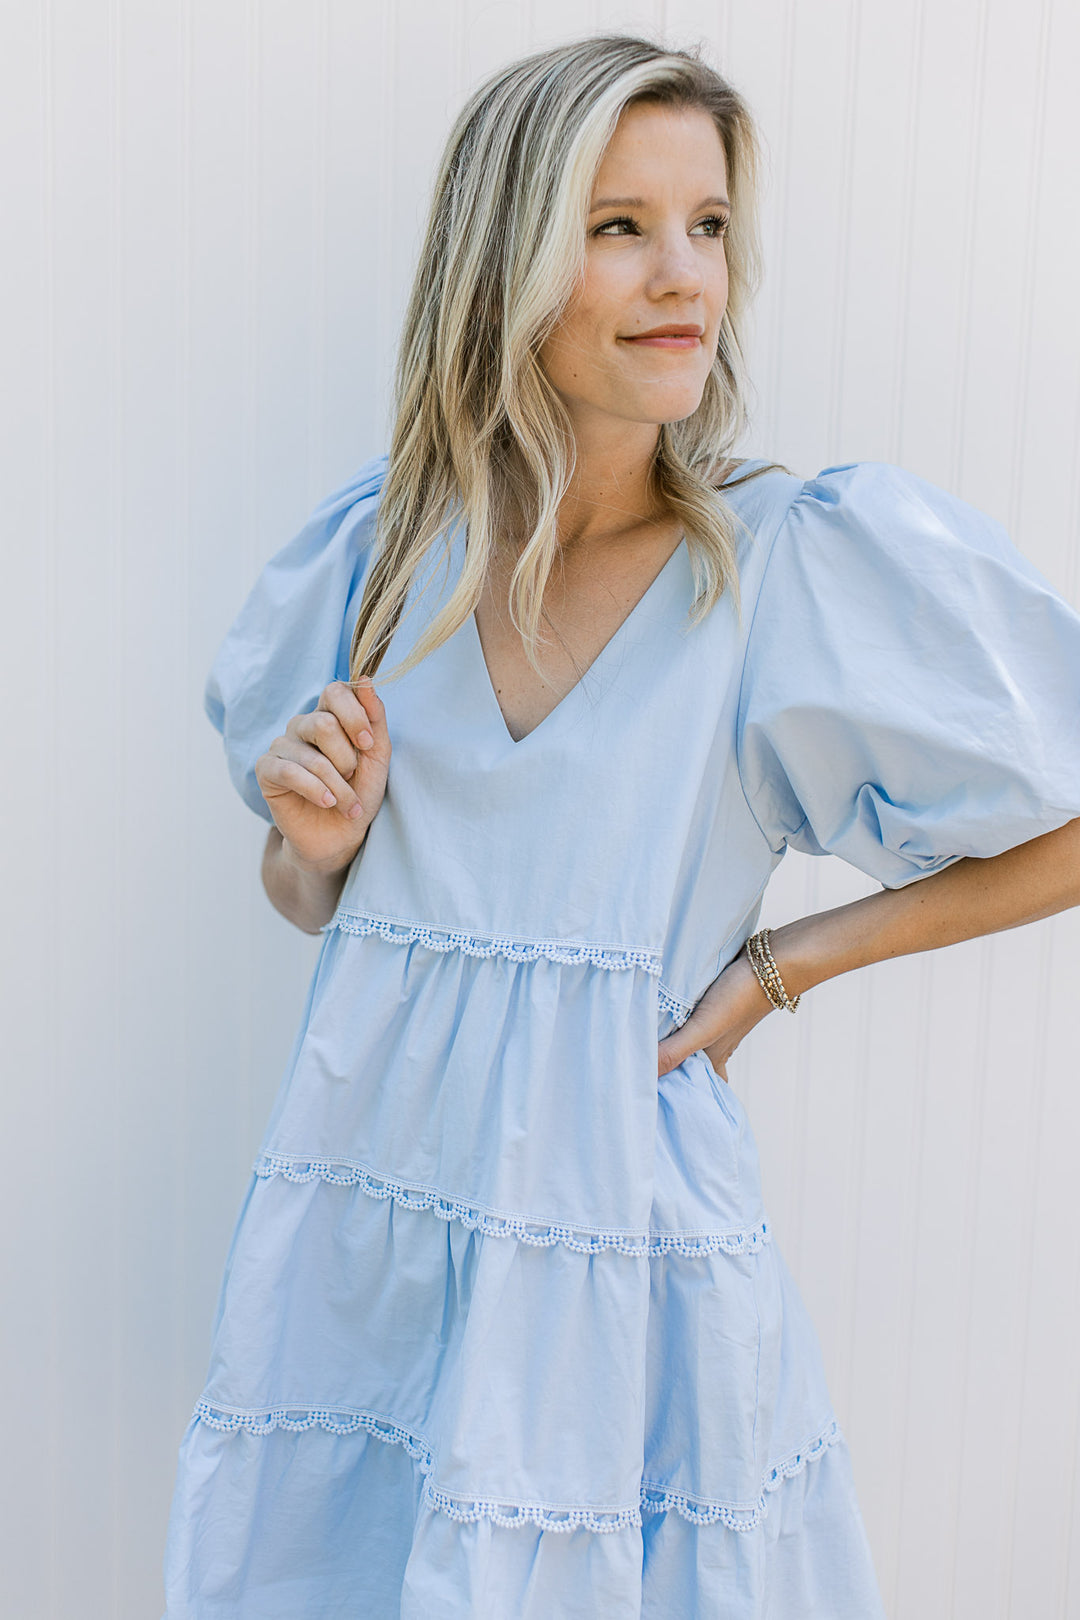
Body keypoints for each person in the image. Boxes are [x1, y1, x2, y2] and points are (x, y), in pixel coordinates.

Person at [161, 33, 1080, 1620]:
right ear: (505, 260)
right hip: (370, 1226)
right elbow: (313, 896)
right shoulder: (382, 557)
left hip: (623, 1248)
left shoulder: (779, 570)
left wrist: (783, 965)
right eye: (618, 226)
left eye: (708, 226)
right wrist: (305, 844)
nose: (684, 279)